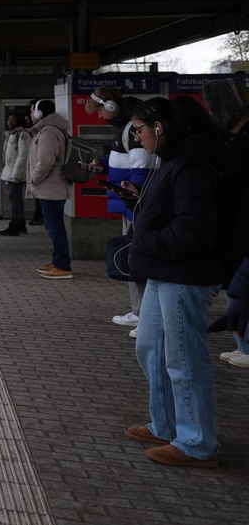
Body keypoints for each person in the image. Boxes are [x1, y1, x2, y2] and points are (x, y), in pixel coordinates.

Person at [124, 96, 229, 468]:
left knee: (184, 358)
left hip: (185, 274)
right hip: (165, 271)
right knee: (151, 346)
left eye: (138, 130)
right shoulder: (176, 162)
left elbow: (192, 231)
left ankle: (197, 443)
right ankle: (166, 422)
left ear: (159, 128)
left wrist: (144, 240)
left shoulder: (193, 166)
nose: (137, 138)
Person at [89, 86, 152, 328]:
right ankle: (140, 312)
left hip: (133, 203)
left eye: (98, 110)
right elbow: (126, 161)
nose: (98, 116)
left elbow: (142, 165)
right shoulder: (124, 129)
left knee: (137, 258)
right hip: (129, 202)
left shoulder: (130, 129)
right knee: (133, 256)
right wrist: (104, 166)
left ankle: (144, 316)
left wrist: (132, 192)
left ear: (110, 107)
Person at [26, 98, 73, 278]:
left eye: (32, 111)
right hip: (50, 187)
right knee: (54, 226)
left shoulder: (48, 132)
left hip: (50, 187)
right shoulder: (50, 130)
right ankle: (57, 261)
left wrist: (34, 180)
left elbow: (45, 161)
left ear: (39, 113)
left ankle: (62, 266)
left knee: (55, 228)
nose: (31, 115)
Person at [0, 110, 31, 235]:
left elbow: (23, 155)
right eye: (8, 119)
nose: (9, 121)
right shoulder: (12, 134)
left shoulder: (22, 135)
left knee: (15, 199)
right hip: (11, 172)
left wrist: (16, 175)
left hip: (15, 174)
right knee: (14, 199)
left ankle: (16, 224)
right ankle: (19, 224)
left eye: (13, 119)